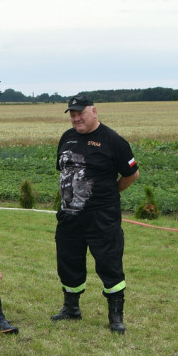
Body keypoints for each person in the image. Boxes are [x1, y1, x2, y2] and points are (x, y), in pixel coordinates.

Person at [52, 94, 139, 333]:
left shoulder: (113, 141)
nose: (76, 118)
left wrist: (111, 193)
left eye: (81, 113)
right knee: (68, 262)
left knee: (109, 263)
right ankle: (71, 308)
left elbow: (132, 174)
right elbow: (63, 171)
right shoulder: (67, 138)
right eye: (72, 114)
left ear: (94, 111)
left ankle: (116, 316)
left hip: (102, 218)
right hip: (70, 217)